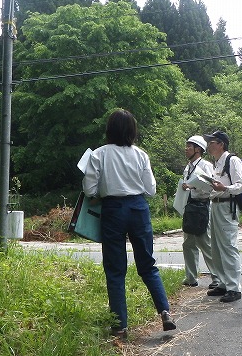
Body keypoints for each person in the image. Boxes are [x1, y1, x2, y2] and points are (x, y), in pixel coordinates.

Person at [82, 109, 176, 339]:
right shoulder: (141, 155)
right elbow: (151, 190)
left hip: (113, 209)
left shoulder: (98, 154)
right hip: (138, 208)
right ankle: (165, 312)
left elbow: (89, 189)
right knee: (147, 264)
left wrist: (101, 192)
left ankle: (120, 326)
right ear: (133, 131)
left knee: (115, 269)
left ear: (109, 129)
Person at [202, 130, 242, 303]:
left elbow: (241, 186)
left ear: (221, 144)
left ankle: (234, 287)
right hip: (216, 205)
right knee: (216, 247)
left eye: (211, 142)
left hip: (227, 206)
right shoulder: (217, 163)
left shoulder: (232, 160)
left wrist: (225, 189)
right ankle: (223, 283)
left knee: (228, 246)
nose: (208, 145)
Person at [180, 135, 221, 289]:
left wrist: (193, 187)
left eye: (189, 147)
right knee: (188, 243)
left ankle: (217, 277)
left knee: (205, 243)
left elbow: (212, 186)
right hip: (190, 207)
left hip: (203, 206)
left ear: (198, 149)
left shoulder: (206, 166)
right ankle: (191, 277)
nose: (186, 149)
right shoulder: (188, 166)